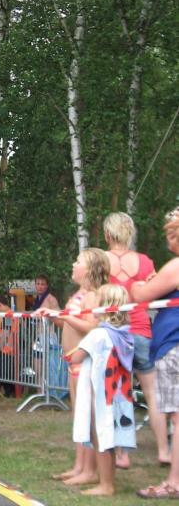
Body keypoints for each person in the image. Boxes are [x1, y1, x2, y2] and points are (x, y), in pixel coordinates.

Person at [104, 211, 171, 469]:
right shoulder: (144, 261)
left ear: (108, 234)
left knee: (119, 392)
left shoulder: (102, 260)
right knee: (153, 394)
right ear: (129, 233)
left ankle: (122, 454)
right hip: (142, 330)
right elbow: (153, 293)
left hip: (114, 332)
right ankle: (163, 451)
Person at [43, 247, 110, 486]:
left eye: (78, 261)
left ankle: (90, 470)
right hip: (73, 363)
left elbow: (92, 326)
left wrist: (63, 315)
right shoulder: (78, 294)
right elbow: (70, 324)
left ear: (90, 269)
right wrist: (54, 317)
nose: (73, 264)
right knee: (79, 417)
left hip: (85, 363)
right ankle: (80, 466)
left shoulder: (92, 295)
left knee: (88, 417)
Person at [69, 283, 136, 496]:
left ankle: (106, 484)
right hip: (119, 395)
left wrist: (72, 352)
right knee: (110, 438)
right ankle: (106, 480)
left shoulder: (98, 334)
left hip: (101, 395)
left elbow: (76, 357)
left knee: (101, 437)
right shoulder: (125, 334)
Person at [132, 207, 179, 500]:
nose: (168, 240)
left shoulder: (175, 266)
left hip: (174, 346)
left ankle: (175, 482)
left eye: (171, 234)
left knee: (177, 416)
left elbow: (140, 295)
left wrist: (143, 283)